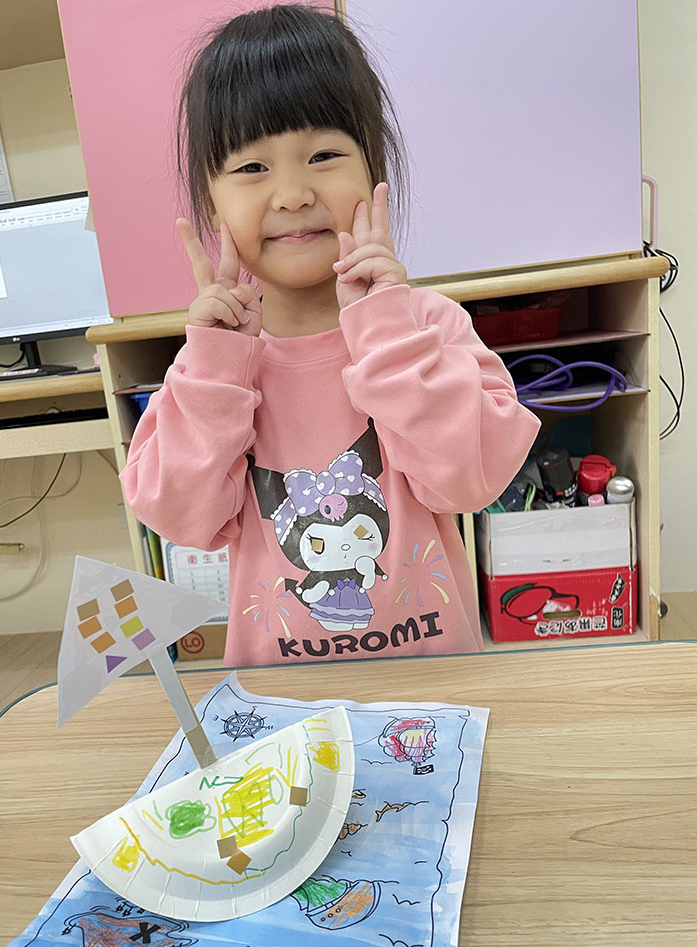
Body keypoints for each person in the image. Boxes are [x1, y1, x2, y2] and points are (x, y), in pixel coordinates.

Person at [120, 4, 539, 666]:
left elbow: (472, 482)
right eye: (251, 168)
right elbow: (182, 519)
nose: (291, 193)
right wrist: (216, 367)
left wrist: (385, 333)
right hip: (278, 705)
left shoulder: (425, 325)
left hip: (433, 692)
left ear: (374, 170)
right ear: (209, 201)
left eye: (323, 155)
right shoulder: (213, 365)